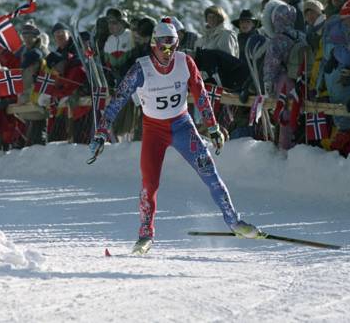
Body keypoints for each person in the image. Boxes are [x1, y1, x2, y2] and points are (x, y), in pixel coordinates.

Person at [89, 19, 265, 254]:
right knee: (149, 184)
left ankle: (235, 222)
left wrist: (213, 127)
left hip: (182, 126)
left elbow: (200, 95)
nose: (167, 52)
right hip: (153, 130)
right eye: (162, 46)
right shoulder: (140, 68)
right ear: (153, 44)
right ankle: (145, 235)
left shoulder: (185, 62)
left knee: (210, 173)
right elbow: (118, 100)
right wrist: (101, 132)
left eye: (172, 45)